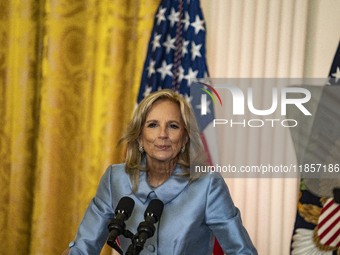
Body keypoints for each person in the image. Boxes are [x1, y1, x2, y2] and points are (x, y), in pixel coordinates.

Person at [63, 89, 257, 255]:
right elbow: (83, 248)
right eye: (152, 125)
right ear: (139, 136)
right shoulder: (115, 179)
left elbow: (242, 251)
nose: (162, 134)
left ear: (185, 139)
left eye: (173, 126)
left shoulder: (208, 186)